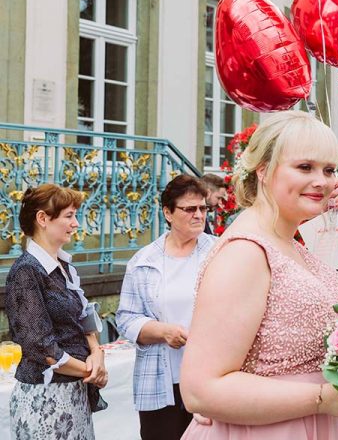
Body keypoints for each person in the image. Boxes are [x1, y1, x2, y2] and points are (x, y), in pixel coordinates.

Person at [179, 111, 338, 438]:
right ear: (264, 171)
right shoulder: (246, 252)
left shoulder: (289, 244)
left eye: (328, 169)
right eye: (304, 167)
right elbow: (200, 389)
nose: (322, 181)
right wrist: (322, 398)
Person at [116, 174, 218, 440]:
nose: (199, 215)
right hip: (159, 379)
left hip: (211, 376)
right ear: (168, 213)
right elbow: (126, 319)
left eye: (203, 208)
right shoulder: (144, 261)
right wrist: (162, 332)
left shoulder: (220, 252)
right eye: (189, 209)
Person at [5, 184, 108, 439]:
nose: (76, 223)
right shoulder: (26, 271)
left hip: (74, 395)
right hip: (44, 400)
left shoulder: (63, 265)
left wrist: (97, 351)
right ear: (42, 218)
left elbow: (84, 316)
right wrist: (92, 371)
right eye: (69, 216)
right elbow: (43, 348)